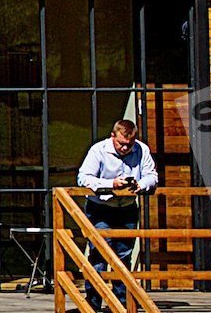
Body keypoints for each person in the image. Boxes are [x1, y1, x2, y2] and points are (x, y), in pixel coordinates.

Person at [76, 118, 158, 312]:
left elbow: (152, 175)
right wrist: (111, 184)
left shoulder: (141, 149)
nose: (125, 148)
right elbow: (83, 178)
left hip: (127, 207)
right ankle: (93, 302)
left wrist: (140, 185)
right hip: (100, 208)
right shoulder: (98, 150)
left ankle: (122, 302)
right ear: (113, 136)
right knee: (99, 253)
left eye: (129, 145)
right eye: (121, 143)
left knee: (124, 255)